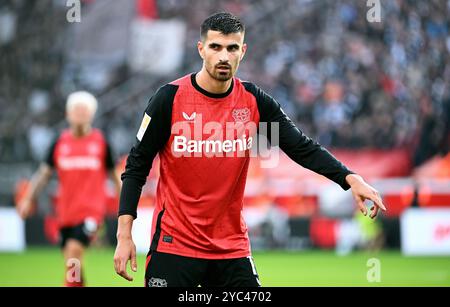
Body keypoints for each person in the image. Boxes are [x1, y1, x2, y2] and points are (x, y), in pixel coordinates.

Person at [114, 12, 386, 287]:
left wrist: (349, 178)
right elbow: (136, 167)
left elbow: (301, 147)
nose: (224, 56)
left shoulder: (254, 102)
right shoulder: (169, 99)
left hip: (230, 249)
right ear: (201, 49)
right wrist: (124, 236)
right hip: (174, 247)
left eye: (232, 48)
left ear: (242, 51)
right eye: (215, 47)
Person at [18, 91, 121, 287]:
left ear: (92, 114)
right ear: (68, 114)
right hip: (65, 213)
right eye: (76, 110)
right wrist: (27, 199)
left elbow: (115, 177)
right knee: (72, 263)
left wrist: (126, 207)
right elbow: (43, 175)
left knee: (74, 252)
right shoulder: (59, 143)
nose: (80, 114)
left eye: (84, 111)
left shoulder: (101, 143)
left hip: (91, 213)